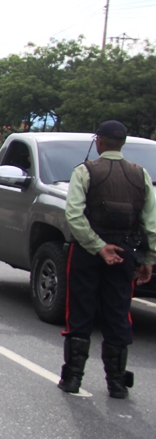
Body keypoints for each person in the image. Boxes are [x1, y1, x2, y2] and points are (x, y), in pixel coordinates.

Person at [59, 120, 156, 398]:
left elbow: (74, 216)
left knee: (79, 311)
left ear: (99, 141)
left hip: (88, 253)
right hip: (125, 252)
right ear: (122, 143)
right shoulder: (141, 175)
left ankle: (73, 379)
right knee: (118, 313)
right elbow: (151, 224)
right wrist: (148, 258)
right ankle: (116, 383)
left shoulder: (85, 171)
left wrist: (98, 246)